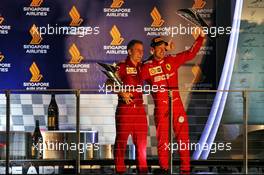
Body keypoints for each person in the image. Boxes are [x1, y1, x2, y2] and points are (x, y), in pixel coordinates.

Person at [141, 28, 205, 174]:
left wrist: (200, 38)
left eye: (164, 48)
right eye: (159, 48)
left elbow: (191, 53)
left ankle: (185, 169)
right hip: (161, 108)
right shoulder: (146, 67)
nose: (162, 50)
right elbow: (134, 79)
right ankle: (164, 168)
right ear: (152, 50)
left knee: (183, 138)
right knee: (163, 140)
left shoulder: (172, 59)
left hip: (176, 105)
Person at [112, 40, 148, 174]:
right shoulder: (121, 66)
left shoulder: (142, 66)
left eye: (142, 51)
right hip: (125, 109)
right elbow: (109, 84)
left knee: (142, 144)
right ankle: (120, 171)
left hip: (139, 109)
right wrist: (121, 92)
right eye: (138, 50)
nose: (141, 53)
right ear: (130, 51)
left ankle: (143, 171)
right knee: (121, 142)